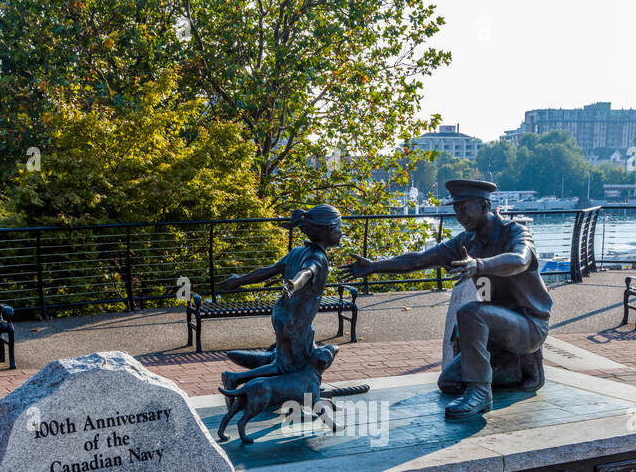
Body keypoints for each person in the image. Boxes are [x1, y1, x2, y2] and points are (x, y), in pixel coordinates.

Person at [339, 179, 551, 418]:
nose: (458, 215)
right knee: (449, 383)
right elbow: (419, 260)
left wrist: (478, 265)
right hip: (497, 334)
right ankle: (522, 366)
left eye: (463, 208)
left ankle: (481, 392)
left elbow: (521, 259)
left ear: (484, 205)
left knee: (470, 312)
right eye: (455, 209)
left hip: (529, 325)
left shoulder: (514, 232)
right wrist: (374, 267)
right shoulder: (466, 242)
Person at [218, 204, 343, 391]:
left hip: (284, 315)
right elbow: (307, 272)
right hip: (296, 322)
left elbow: (269, 270)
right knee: (288, 365)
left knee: (305, 354)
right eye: (340, 228)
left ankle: (295, 375)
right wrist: (295, 284)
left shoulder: (297, 252)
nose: (342, 233)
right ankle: (235, 378)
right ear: (330, 229)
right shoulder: (318, 257)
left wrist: (239, 280)